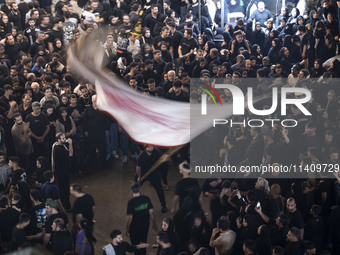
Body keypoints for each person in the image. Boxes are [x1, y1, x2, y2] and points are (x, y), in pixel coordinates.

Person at [125, 182, 157, 255]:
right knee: (143, 242)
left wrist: (127, 228)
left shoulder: (131, 202)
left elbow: (129, 217)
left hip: (134, 227)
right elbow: (151, 212)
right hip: (145, 226)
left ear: (131, 190)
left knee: (136, 245)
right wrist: (154, 223)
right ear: (140, 189)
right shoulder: (146, 199)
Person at [136, 145, 169, 212]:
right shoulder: (141, 155)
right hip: (142, 173)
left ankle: (163, 205)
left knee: (159, 189)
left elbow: (166, 161)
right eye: (148, 147)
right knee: (136, 187)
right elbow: (138, 168)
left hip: (154, 174)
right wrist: (139, 177)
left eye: (152, 146)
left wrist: (166, 159)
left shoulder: (158, 153)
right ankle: (138, 203)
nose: (150, 148)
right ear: (145, 148)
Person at [51, 132, 73, 210]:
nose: (65, 139)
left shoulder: (57, 145)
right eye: (63, 138)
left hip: (60, 171)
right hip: (62, 172)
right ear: (58, 140)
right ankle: (67, 206)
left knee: (62, 189)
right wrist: (70, 144)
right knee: (65, 190)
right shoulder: (59, 149)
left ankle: (63, 205)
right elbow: (70, 154)